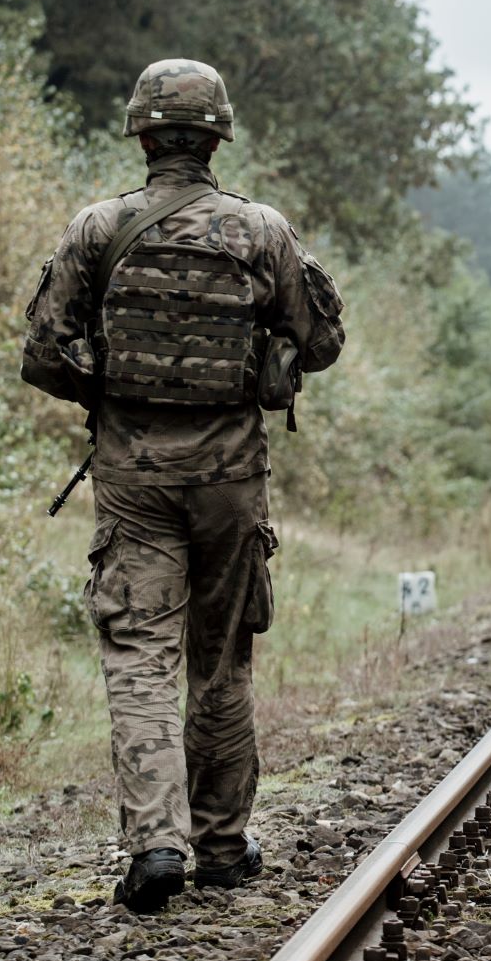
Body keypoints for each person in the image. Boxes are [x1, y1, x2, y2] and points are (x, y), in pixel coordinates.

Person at [21, 58, 346, 912]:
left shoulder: (97, 228)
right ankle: (224, 847)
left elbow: (44, 353)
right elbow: (319, 341)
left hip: (133, 477)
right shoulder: (262, 231)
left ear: (140, 132)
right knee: (223, 656)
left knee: (139, 656)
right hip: (232, 477)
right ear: (216, 136)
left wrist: (113, 392)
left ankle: (155, 847)